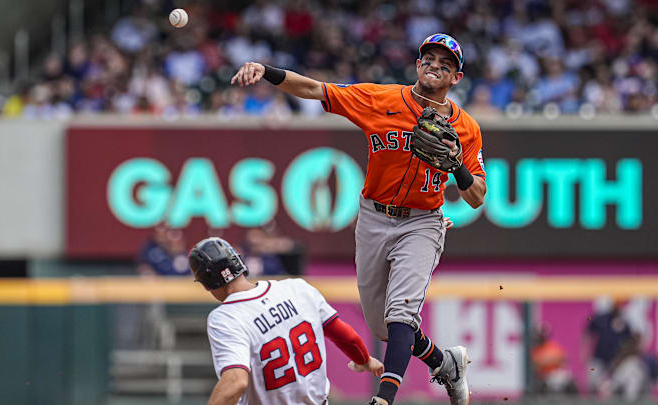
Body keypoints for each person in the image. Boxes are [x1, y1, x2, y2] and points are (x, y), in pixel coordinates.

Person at [231, 32, 486, 405]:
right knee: (383, 327)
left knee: (401, 315)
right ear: (417, 65)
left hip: (423, 220)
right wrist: (266, 71)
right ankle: (445, 363)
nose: (435, 66)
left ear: (456, 78)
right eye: (429, 60)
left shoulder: (467, 128)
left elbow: (476, 197)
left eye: (445, 64)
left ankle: (384, 399)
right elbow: (315, 90)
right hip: (373, 217)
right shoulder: (380, 99)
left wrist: (457, 167)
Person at [189, 237, 383, 405]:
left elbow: (235, 382)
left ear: (207, 283)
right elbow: (343, 334)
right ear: (238, 262)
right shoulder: (296, 287)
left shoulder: (225, 317)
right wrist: (364, 360)